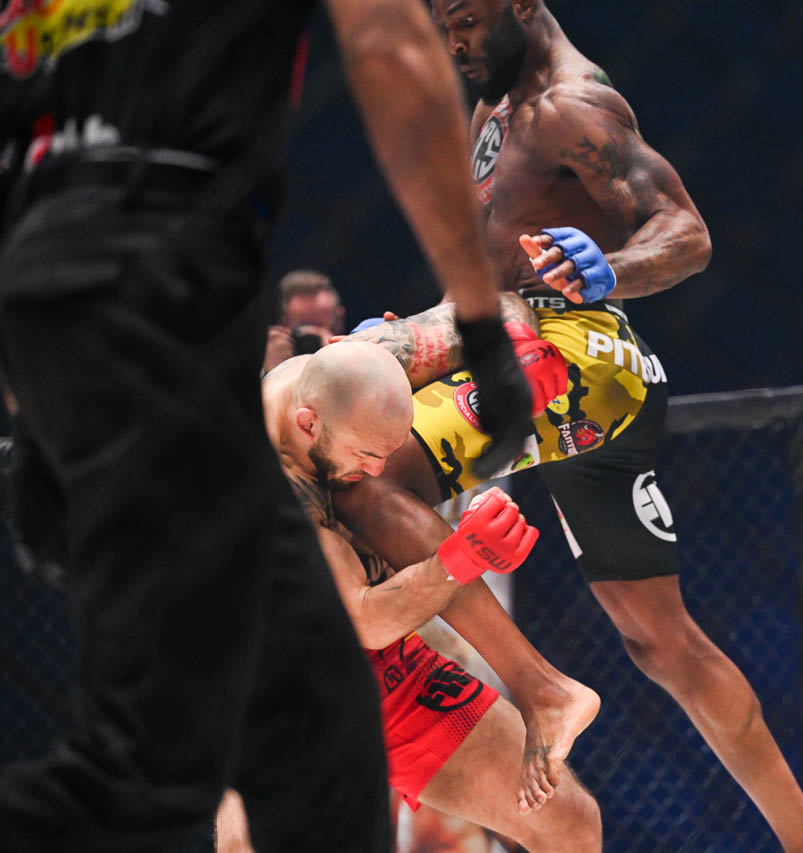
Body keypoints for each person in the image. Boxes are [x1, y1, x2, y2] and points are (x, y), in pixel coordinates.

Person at [0, 2, 533, 850]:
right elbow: (390, 43)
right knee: (151, 769)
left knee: (319, 738)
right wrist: (478, 318)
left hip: (82, 306)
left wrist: (28, 383)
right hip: (156, 297)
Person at [335, 3, 803, 848]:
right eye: (441, 23)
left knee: (370, 472)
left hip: (576, 356)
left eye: (464, 20)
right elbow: (491, 267)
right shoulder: (495, 107)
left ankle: (539, 687)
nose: (453, 43)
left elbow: (687, 231)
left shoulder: (570, 105)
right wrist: (419, 338)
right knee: (660, 641)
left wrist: (611, 267)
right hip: (546, 359)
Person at [212, 341, 601, 853]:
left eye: (385, 452)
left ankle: (546, 690)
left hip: (386, 670)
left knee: (569, 823)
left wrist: (503, 368)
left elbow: (468, 323)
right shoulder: (272, 495)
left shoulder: (359, 364)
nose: (379, 470)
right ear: (307, 425)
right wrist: (461, 556)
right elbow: (365, 618)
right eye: (366, 454)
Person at [262, 269, 349, 375]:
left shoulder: (361, 354)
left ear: (340, 319)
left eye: (320, 327)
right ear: (283, 324)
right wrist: (272, 370)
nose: (311, 335)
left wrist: (338, 357)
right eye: (303, 327)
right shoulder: (265, 359)